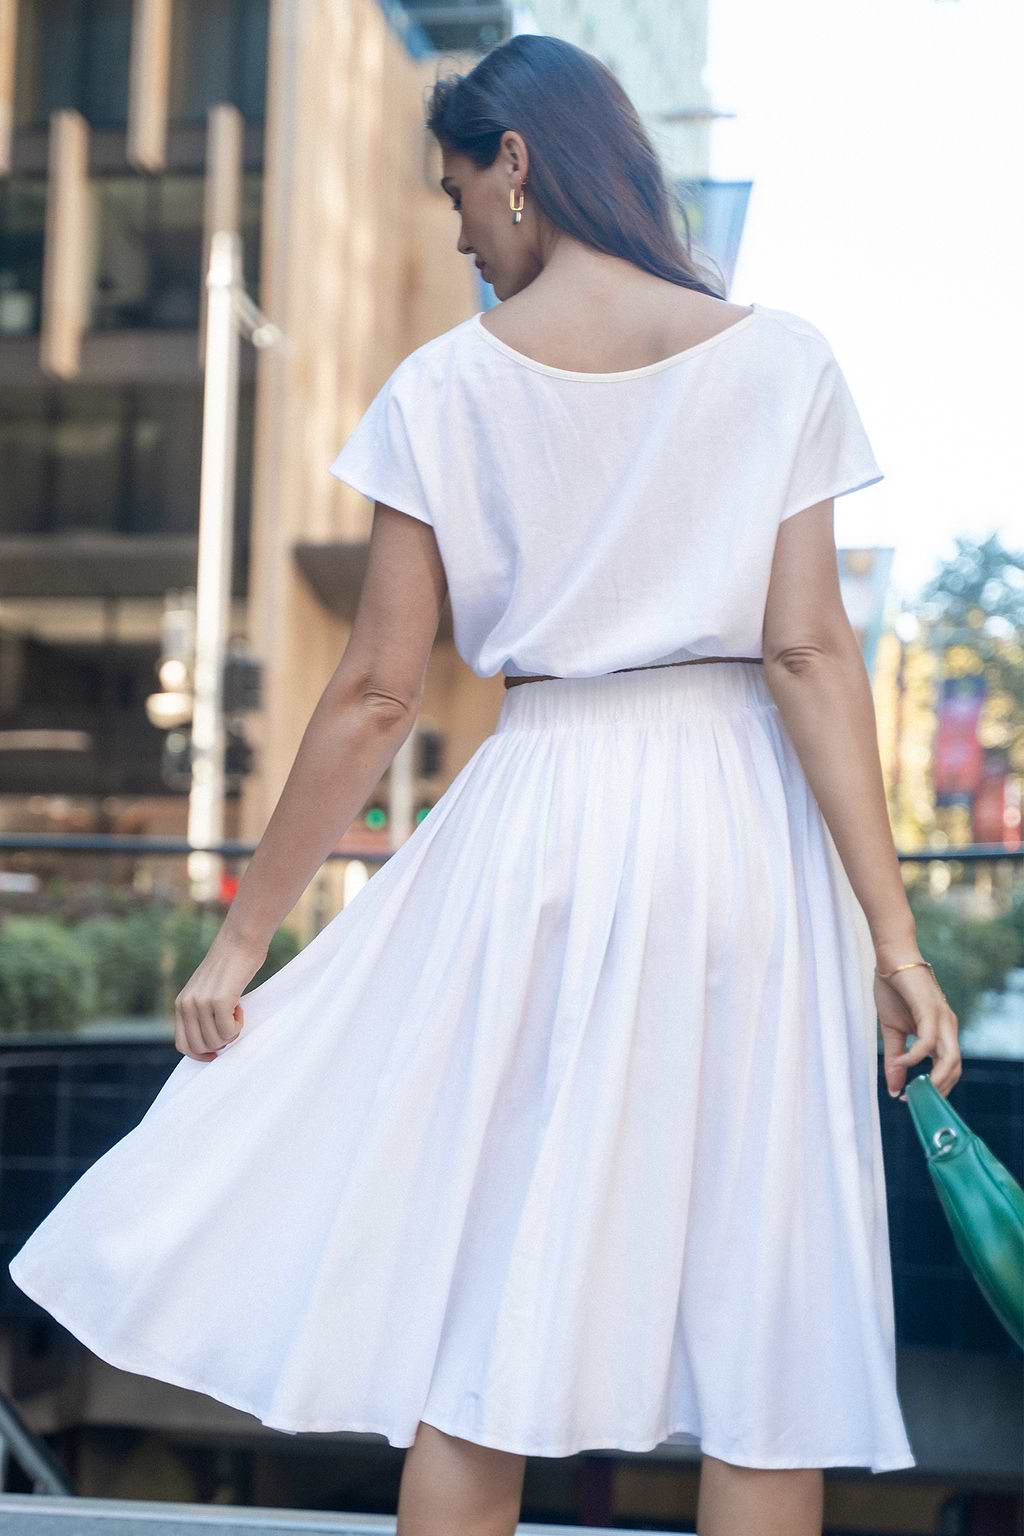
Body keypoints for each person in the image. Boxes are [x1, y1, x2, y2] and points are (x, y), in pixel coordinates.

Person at [9, 33, 959, 1536]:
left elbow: (379, 691)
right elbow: (811, 657)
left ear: (518, 162)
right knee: (769, 1309)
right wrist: (894, 942)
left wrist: (244, 940)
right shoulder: (782, 359)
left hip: (542, 817)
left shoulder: (445, 386)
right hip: (742, 837)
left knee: (493, 1307)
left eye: (458, 191)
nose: (456, 229)